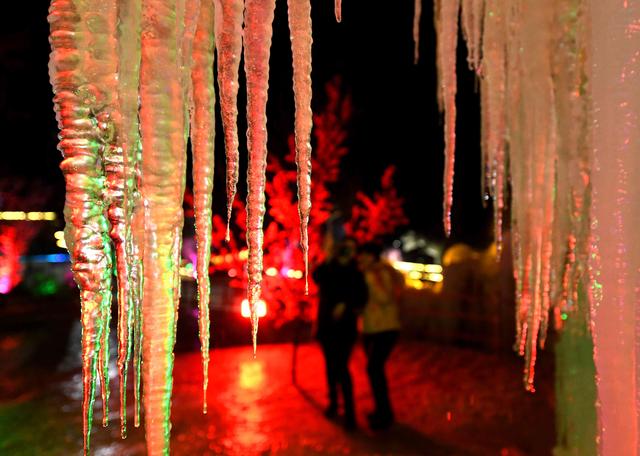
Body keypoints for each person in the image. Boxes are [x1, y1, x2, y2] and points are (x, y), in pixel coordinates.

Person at [313, 237, 368, 429]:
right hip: (327, 326)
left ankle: (349, 412)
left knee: (341, 367)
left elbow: (362, 296)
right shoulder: (329, 268)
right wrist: (328, 257)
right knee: (330, 366)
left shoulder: (356, 272)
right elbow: (316, 276)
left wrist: (346, 305)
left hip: (345, 327)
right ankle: (334, 403)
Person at [358, 242, 403, 430]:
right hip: (370, 328)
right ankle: (381, 411)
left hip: (385, 328)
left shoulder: (378, 273)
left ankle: (385, 414)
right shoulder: (367, 272)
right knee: (375, 371)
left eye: (364, 254)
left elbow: (385, 297)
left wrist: (369, 280)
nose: (361, 258)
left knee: (374, 369)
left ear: (372, 256)